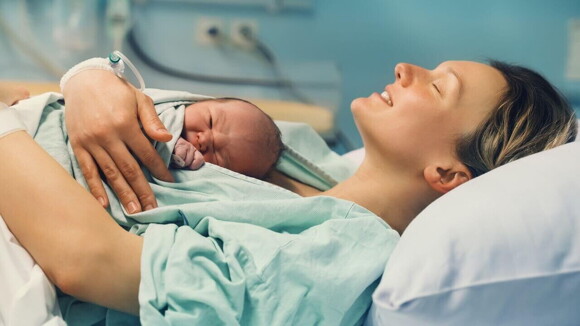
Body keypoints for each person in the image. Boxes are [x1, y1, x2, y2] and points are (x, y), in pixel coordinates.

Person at [0, 60, 576, 325]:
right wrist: (89, 78)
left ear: (449, 175)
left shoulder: (339, 261)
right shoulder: (308, 159)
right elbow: (141, 113)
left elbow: (89, 261)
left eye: (438, 86)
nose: (406, 68)